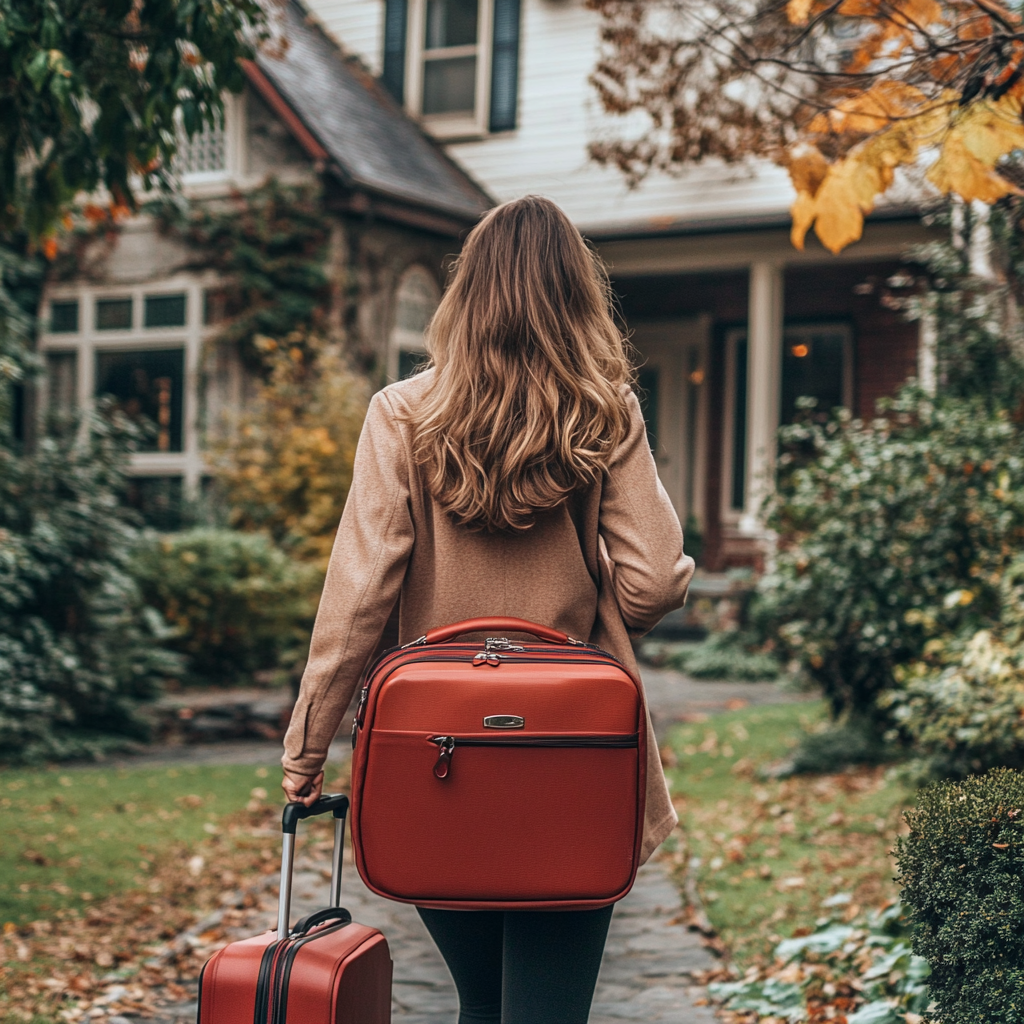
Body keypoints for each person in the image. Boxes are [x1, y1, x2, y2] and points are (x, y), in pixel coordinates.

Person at [280, 195, 695, 1024]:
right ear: (580, 299)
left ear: (464, 294)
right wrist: (593, 606)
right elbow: (652, 582)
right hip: (575, 750)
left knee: (482, 1000)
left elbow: (359, 598)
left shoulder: (401, 414)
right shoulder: (604, 411)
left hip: (438, 756)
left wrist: (306, 749)